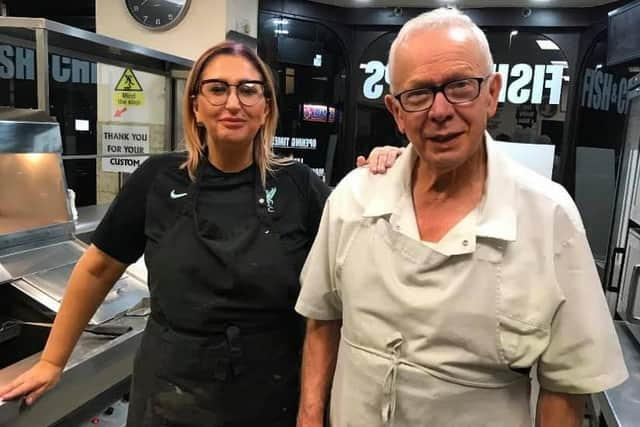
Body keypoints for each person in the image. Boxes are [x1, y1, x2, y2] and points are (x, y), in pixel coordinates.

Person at [0, 41, 397, 426]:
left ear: (266, 107)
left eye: (248, 90)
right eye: (217, 89)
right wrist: (53, 361)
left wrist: (393, 172)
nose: (232, 102)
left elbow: (351, 263)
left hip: (272, 390)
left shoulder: (298, 185)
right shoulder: (157, 178)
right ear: (195, 104)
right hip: (171, 390)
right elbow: (96, 269)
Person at [295, 8, 628, 427]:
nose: (439, 110)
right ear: (396, 111)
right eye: (417, 94)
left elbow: (565, 385)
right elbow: (322, 317)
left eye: (459, 86)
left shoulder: (549, 217)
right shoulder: (353, 200)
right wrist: (309, 417)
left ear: (492, 93)